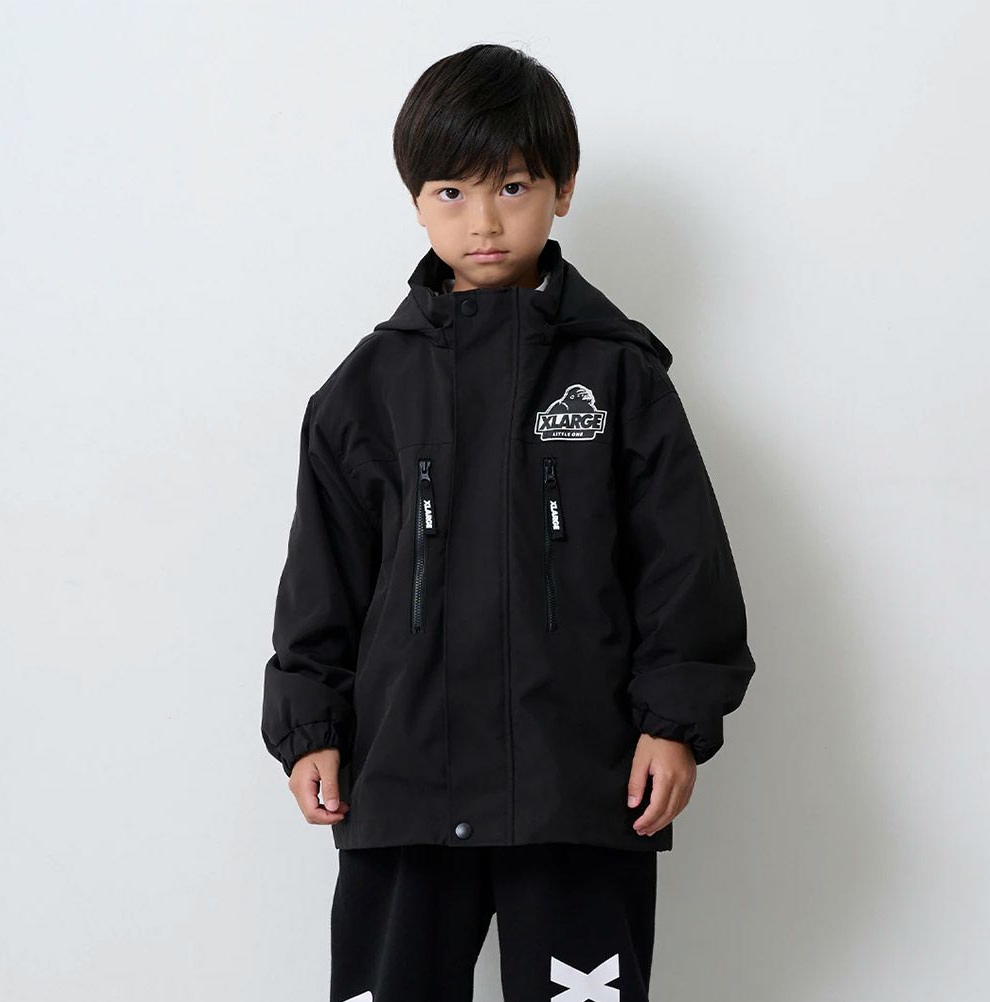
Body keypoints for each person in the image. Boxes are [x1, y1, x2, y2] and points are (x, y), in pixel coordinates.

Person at [261, 42, 756, 1002]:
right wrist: (310, 722)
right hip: (401, 778)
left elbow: (684, 564)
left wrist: (674, 724)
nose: (483, 221)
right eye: (451, 192)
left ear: (562, 190)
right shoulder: (365, 390)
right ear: (415, 201)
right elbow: (323, 577)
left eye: (513, 187)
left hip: (580, 779)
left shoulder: (618, 376)